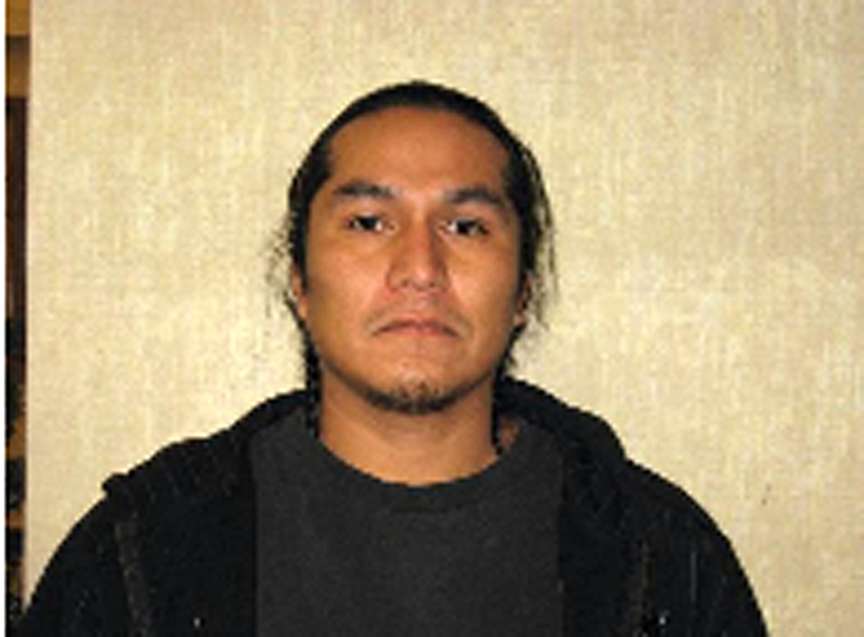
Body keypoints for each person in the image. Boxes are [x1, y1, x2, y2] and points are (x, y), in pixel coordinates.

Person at [21, 81, 767, 636]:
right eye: (369, 221)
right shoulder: (143, 552)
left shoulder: (663, 562)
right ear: (300, 281)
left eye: (466, 226)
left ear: (522, 292)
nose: (420, 268)